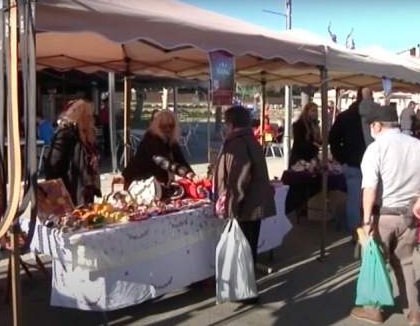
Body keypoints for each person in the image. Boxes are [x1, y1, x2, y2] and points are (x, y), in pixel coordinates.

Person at [350, 105, 420, 326]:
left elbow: (370, 189)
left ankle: (373, 310)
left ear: (377, 126)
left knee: (374, 261)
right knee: (406, 263)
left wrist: (366, 221)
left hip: (382, 215)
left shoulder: (375, 149)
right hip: (410, 214)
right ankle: (414, 313)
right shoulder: (418, 146)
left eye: (372, 126)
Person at [214, 106, 276, 302]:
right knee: (248, 248)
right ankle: (246, 287)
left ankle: (247, 292)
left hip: (246, 205)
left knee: (245, 249)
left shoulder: (237, 143)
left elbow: (239, 178)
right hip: (253, 203)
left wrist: (231, 206)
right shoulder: (249, 140)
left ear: (230, 124)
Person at [122, 109, 199, 188]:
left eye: (171, 126)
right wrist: (186, 173)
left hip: (154, 179)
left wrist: (192, 175)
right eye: (164, 126)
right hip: (137, 180)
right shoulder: (151, 139)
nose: (168, 129)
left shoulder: (170, 140)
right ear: (157, 126)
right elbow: (163, 161)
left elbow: (180, 159)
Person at [45, 99, 101, 205]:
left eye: (90, 116)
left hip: (87, 190)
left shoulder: (88, 135)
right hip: (71, 189)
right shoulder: (66, 133)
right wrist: (57, 191)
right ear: (78, 117)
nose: (90, 119)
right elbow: (53, 164)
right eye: (87, 116)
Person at [328, 88, 368, 236]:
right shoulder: (361, 117)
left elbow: (333, 138)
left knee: (356, 198)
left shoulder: (345, 117)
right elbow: (333, 139)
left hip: (354, 162)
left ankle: (357, 231)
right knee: (358, 198)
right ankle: (358, 230)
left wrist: (341, 157)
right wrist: (342, 158)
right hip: (355, 163)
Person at [289, 102, 321, 167]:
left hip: (311, 158)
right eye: (313, 110)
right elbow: (299, 142)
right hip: (299, 158)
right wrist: (313, 144)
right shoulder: (299, 124)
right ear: (307, 111)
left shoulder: (315, 125)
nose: (315, 113)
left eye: (316, 111)